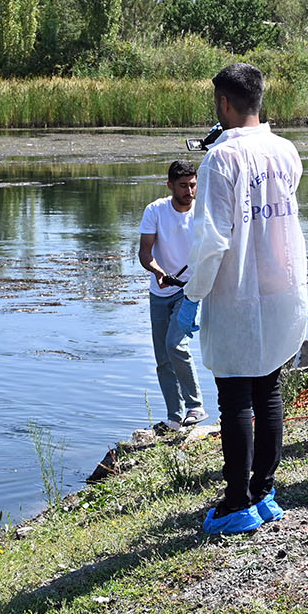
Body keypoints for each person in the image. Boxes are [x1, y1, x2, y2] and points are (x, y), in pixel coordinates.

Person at [178, 63, 308, 534]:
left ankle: (236, 502)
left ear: (224, 104)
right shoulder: (286, 150)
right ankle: (264, 490)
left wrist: (192, 296)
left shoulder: (221, 160)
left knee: (234, 395)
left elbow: (213, 240)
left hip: (237, 291)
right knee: (268, 387)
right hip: (280, 287)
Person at [138, 160, 207, 432]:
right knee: (163, 359)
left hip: (190, 291)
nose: (189, 191)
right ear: (170, 186)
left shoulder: (203, 212)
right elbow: (145, 253)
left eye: (192, 185)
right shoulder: (155, 210)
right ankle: (175, 418)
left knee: (176, 345)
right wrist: (159, 273)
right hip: (160, 291)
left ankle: (195, 406)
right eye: (183, 186)